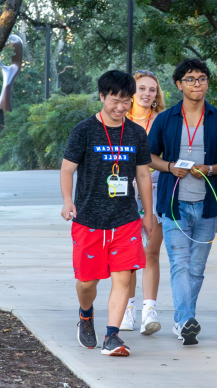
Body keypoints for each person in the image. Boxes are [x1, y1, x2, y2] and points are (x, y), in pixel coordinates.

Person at [60, 70, 153, 357]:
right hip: (89, 218)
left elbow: (142, 175)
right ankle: (85, 314)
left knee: (123, 277)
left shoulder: (136, 133)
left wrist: (147, 213)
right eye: (115, 100)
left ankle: (112, 336)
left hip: (125, 218)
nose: (120, 107)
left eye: (126, 101)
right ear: (102, 97)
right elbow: (67, 168)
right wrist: (67, 201)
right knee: (88, 282)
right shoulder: (84, 130)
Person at [148, 58, 217, 346]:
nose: (198, 84)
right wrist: (170, 167)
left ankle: (183, 319)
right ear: (179, 84)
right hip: (174, 205)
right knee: (180, 266)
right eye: (191, 79)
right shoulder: (165, 118)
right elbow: (149, 156)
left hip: (207, 206)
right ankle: (185, 321)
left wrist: (209, 169)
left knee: (197, 268)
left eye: (202, 78)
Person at [119, 70, 166, 335]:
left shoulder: (162, 120)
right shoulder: (119, 119)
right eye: (142, 89)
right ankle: (128, 308)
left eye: (152, 89)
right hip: (124, 190)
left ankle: (150, 310)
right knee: (128, 256)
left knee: (150, 253)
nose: (148, 94)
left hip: (156, 189)